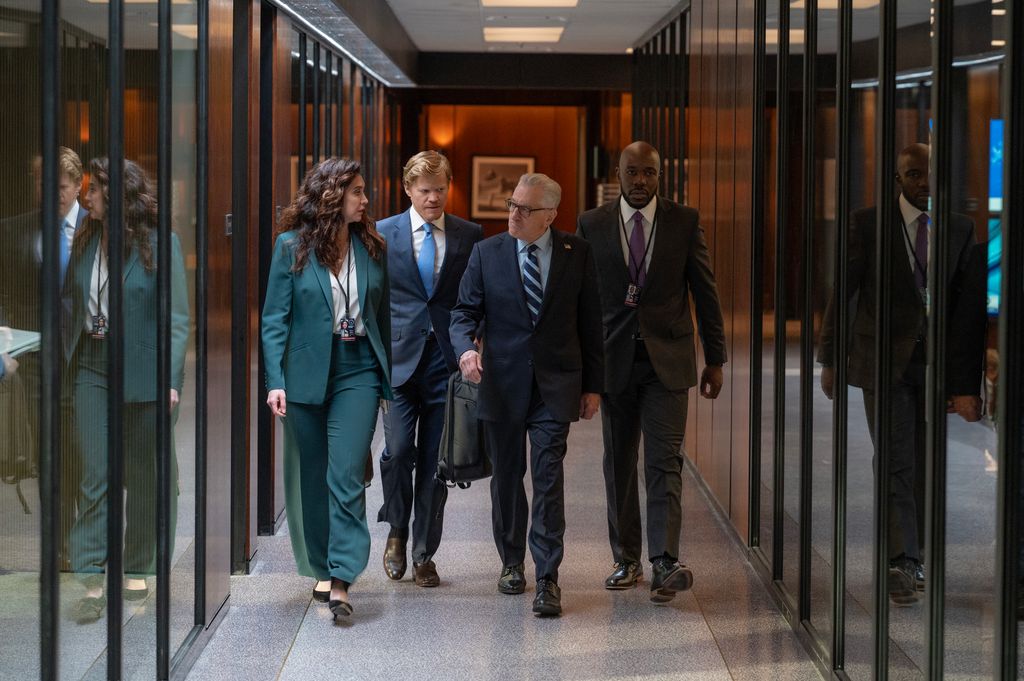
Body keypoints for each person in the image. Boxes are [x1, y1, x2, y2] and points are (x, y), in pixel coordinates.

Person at [818, 142, 987, 606]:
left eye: (931, 174)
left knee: (924, 462)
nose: (924, 183)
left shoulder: (959, 229)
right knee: (895, 458)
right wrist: (828, 358)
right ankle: (902, 560)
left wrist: (964, 385)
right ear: (898, 179)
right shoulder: (868, 225)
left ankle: (917, 552)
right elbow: (844, 292)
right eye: (914, 174)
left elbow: (966, 314)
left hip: (932, 366)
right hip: (881, 362)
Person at [576, 141, 727, 603]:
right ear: (617, 174)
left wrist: (716, 358)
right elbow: (581, 300)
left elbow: (705, 291)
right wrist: (581, 368)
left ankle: (664, 561)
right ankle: (626, 559)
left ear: (661, 176)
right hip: (613, 362)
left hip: (669, 362)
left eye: (650, 173)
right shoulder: (592, 223)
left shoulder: (684, 221)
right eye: (633, 172)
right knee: (619, 465)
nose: (641, 181)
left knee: (664, 463)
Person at [450, 172, 603, 617]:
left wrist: (593, 386)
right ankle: (512, 562)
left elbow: (592, 324)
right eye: (512, 205)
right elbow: (463, 313)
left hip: (556, 386)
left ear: (550, 215)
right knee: (507, 479)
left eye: (525, 208)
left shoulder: (578, 253)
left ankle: (549, 576)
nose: (514, 214)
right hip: (501, 384)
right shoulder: (487, 253)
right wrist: (464, 351)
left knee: (549, 477)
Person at [262, 157, 392, 620]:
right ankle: (320, 564)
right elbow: (274, 319)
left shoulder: (372, 247)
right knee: (312, 477)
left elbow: (383, 317)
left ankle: (342, 576)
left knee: (345, 473)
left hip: (358, 372)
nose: (365, 199)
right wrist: (274, 381)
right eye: (357, 191)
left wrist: (386, 380)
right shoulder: (290, 248)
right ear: (333, 197)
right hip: (305, 376)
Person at [62, 158, 189, 623]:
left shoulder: (161, 244)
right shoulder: (85, 242)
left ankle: (136, 566)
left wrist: (170, 380)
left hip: (142, 372)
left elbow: (176, 321)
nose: (85, 196)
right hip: (91, 367)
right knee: (95, 472)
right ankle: (93, 574)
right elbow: (71, 305)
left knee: (143, 475)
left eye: (92, 190)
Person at [376, 151, 482, 586]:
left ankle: (423, 553)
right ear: (408, 190)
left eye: (440, 189)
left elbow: (473, 298)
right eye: (425, 191)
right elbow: (373, 298)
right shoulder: (382, 233)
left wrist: (474, 346)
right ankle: (397, 531)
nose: (434, 198)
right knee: (399, 451)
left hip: (446, 364)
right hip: (398, 364)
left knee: (439, 462)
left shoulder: (469, 235)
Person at [0, 148, 89, 568]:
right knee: (48, 451)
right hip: (33, 359)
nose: (51, 192)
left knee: (79, 450)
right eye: (42, 184)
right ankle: (62, 544)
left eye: (60, 186)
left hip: (83, 358)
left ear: (77, 185)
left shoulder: (98, 229)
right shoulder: (12, 231)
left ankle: (83, 537)